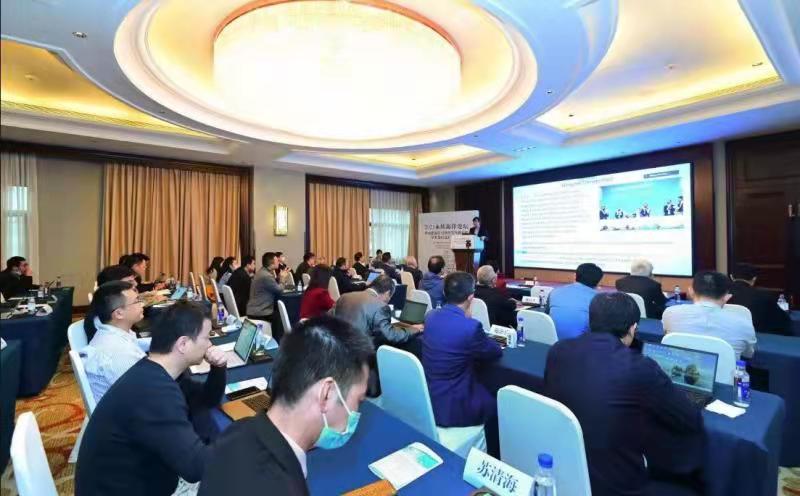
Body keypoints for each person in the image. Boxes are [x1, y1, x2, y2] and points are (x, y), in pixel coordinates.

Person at [544, 292, 703, 496]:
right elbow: (689, 418)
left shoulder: (558, 350)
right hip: (617, 483)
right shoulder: (639, 367)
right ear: (633, 328)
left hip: (566, 467)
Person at [198, 316, 374, 496]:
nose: (356, 412)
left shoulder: (238, 430)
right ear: (327, 394)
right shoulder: (281, 487)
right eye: (358, 400)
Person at [75, 301, 227, 496]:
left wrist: (218, 368)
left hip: (138, 479)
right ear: (183, 344)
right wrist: (242, 437)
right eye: (206, 338)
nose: (209, 344)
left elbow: (208, 399)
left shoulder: (153, 371)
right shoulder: (154, 392)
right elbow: (195, 467)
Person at [422, 272, 502, 428]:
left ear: (444, 292)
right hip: (455, 405)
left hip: (429, 397)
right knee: (497, 404)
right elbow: (494, 351)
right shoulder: (470, 327)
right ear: (471, 297)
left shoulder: (430, 316)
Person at [334, 274, 421, 395]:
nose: (388, 300)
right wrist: (414, 329)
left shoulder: (344, 297)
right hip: (364, 359)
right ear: (387, 293)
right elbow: (391, 336)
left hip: (340, 353)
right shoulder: (379, 306)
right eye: (390, 297)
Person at [663, 271, 757, 358]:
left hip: (677, 369)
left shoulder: (670, 313)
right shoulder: (743, 321)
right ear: (727, 296)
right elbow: (748, 354)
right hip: (725, 371)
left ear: (691, 292)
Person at [81, 281, 146, 401]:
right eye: (137, 301)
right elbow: (145, 393)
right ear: (119, 313)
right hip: (128, 409)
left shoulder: (110, 332)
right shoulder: (120, 352)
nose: (142, 304)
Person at [728, 263, 791, 335]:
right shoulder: (764, 295)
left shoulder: (720, 294)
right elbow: (783, 320)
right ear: (754, 279)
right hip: (758, 336)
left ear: (731, 277)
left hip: (725, 335)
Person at [546, 263, 604, 340]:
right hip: (582, 344)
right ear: (598, 282)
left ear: (575, 276)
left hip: (551, 341)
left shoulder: (554, 291)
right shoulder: (600, 299)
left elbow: (546, 316)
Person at [247, 252, 284, 321]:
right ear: (271, 264)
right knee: (283, 316)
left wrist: (278, 278)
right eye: (277, 261)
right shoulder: (266, 275)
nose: (279, 262)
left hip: (254, 309)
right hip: (260, 312)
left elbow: (270, 285)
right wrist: (282, 280)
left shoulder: (262, 271)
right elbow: (279, 291)